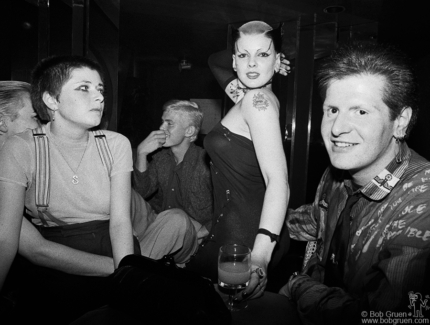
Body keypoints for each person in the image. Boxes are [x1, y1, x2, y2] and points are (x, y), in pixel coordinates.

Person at [280, 42, 430, 324]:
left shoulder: (423, 203)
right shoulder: (336, 174)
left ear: (400, 121)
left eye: (360, 112)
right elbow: (315, 219)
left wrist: (301, 288)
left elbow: (392, 318)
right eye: (332, 110)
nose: (337, 128)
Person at [0, 56, 138, 324]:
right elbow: (6, 238)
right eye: (84, 88)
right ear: (52, 100)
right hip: (55, 262)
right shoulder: (21, 147)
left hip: (115, 248)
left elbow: (121, 222)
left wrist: (127, 277)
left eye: (100, 90)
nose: (99, 97)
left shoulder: (116, 144)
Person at [185, 21, 290, 301]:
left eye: (264, 55)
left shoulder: (258, 102)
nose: (252, 64)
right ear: (235, 60)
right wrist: (262, 55)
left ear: (278, 60)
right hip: (234, 230)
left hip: (246, 240)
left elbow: (278, 180)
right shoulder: (245, 96)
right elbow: (214, 61)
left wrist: (260, 256)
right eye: (244, 56)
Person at [132, 99, 212, 264]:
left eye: (169, 124)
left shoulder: (206, 162)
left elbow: (230, 204)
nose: (161, 128)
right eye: (162, 122)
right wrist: (141, 154)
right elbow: (142, 193)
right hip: (159, 224)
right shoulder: (161, 158)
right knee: (125, 193)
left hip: (191, 235)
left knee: (176, 217)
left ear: (189, 131)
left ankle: (132, 268)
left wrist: (206, 231)